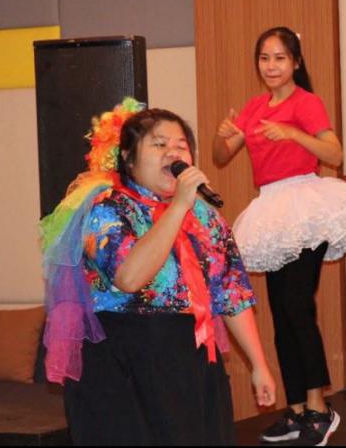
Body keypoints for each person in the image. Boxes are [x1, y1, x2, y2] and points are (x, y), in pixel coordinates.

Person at [41, 99, 275, 445]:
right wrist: (178, 207)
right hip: (122, 365)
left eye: (181, 145)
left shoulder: (206, 218)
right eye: (159, 144)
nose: (173, 152)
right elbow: (129, 278)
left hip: (189, 358)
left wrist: (259, 365)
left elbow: (231, 293)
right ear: (128, 158)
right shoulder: (107, 209)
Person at [212, 27, 346, 446]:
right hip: (271, 209)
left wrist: (293, 134)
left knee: (298, 306)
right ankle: (297, 408)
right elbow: (221, 155)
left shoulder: (306, 102)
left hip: (305, 206)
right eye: (264, 58)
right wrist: (221, 133)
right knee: (281, 313)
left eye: (280, 58)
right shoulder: (254, 107)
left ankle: (320, 407)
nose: (271, 66)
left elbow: (334, 154)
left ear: (296, 63)